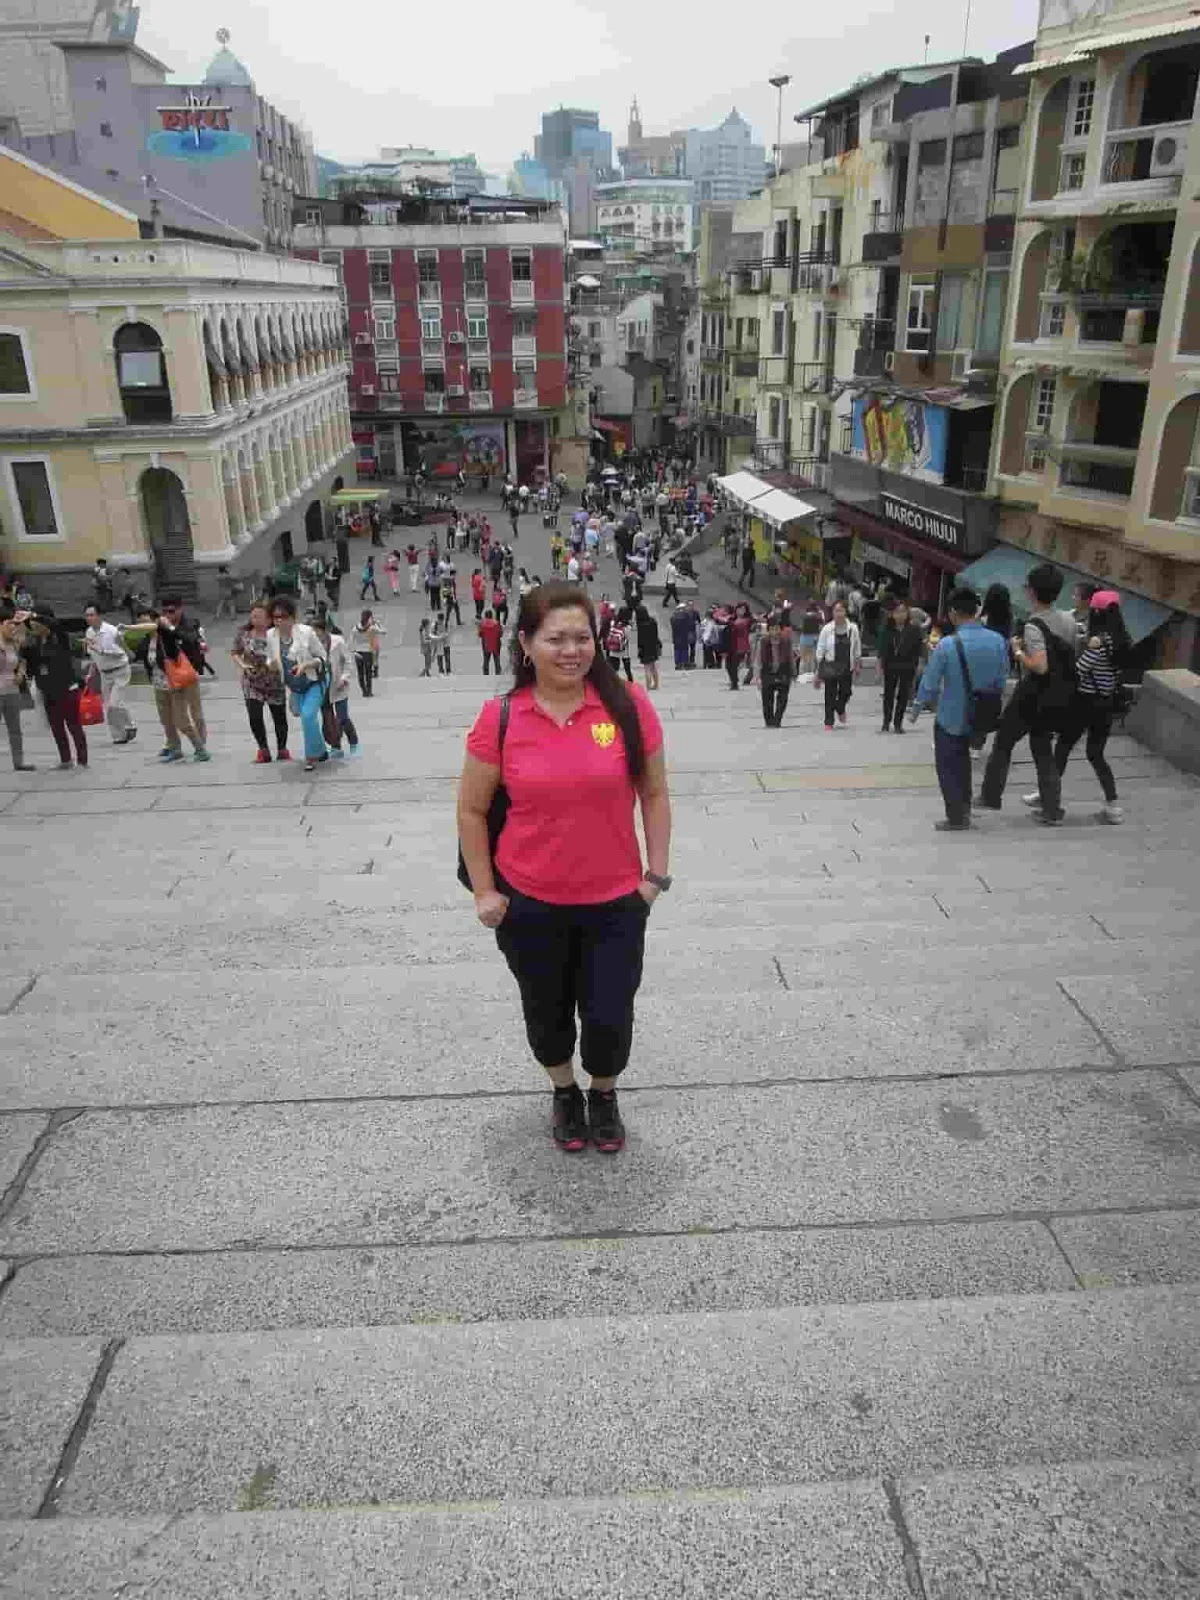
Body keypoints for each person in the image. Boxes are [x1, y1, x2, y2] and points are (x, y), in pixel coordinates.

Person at [457, 580, 672, 1155]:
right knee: (546, 1011)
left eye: (583, 637)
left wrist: (655, 876)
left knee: (609, 1013)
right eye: (556, 638)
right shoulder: (501, 716)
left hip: (615, 902)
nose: (571, 650)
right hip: (529, 902)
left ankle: (604, 1093)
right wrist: (484, 891)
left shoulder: (627, 705)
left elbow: (654, 793)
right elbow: (472, 810)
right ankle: (563, 1091)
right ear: (525, 643)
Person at [979, 563, 1077, 825]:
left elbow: (1041, 666)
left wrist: (1018, 651)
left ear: (1033, 592)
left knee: (1003, 743)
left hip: (1031, 695)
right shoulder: (1069, 620)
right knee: (1042, 749)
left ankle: (990, 796)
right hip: (1055, 697)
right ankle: (1052, 810)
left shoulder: (1034, 626)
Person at [1027, 589, 1129, 825]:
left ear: (1096, 613)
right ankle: (1113, 806)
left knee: (1062, 748)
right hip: (1106, 705)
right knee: (1096, 754)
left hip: (1086, 703)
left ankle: (1048, 800)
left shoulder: (1098, 643)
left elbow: (1079, 671)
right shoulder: (1120, 640)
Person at [910, 587, 1009, 831]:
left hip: (951, 717)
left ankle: (956, 816)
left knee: (948, 766)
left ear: (953, 612)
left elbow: (930, 683)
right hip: (982, 716)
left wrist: (916, 708)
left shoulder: (946, 645)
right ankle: (965, 807)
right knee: (964, 762)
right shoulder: (998, 641)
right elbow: (1001, 680)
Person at [143, 599, 210, 763]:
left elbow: (190, 639)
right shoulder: (161, 630)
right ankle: (181, 747)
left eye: (171, 611)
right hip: (172, 678)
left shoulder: (189, 624)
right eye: (165, 611)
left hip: (188, 674)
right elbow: (148, 632)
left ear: (180, 610)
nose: (168, 614)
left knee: (196, 714)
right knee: (178, 718)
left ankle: (201, 746)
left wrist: (171, 628)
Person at [266, 596, 328, 772]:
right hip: (295, 685)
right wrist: (271, 665)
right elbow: (271, 658)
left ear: (293, 617)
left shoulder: (306, 633)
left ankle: (310, 756)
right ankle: (321, 750)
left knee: (308, 716)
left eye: (283, 616)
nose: (279, 621)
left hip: (314, 680)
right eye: (275, 617)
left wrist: (305, 665)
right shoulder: (271, 635)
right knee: (305, 717)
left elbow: (323, 658)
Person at [20, 609, 87, 769]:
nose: (34, 627)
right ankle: (66, 759)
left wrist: (34, 615)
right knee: (56, 726)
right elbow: (31, 665)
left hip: (67, 688)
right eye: (32, 625)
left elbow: (55, 624)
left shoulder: (60, 638)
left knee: (74, 725)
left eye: (36, 624)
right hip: (48, 691)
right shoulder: (35, 643)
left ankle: (82, 760)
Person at [231, 602, 290, 764]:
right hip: (252, 681)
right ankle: (263, 750)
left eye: (260, 616)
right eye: (253, 616)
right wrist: (243, 665)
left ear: (269, 618)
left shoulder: (277, 635)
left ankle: (282, 749)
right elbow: (235, 653)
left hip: (274, 681)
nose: (255, 619)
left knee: (279, 717)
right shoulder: (244, 634)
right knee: (254, 715)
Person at [83, 604, 137, 746]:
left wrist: (102, 651)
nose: (89, 618)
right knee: (109, 706)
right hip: (104, 674)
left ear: (99, 616)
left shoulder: (111, 631)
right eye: (87, 615)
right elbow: (93, 655)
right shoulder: (89, 632)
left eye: (92, 614)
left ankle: (128, 726)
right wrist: (90, 672)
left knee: (115, 703)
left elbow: (120, 652)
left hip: (120, 670)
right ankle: (119, 735)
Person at [314, 615, 360, 758]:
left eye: (318, 632)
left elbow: (348, 662)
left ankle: (354, 742)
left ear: (325, 630)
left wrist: (344, 678)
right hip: (322, 686)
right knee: (328, 719)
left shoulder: (338, 641)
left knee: (342, 717)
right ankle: (336, 746)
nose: (316, 635)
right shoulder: (312, 644)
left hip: (338, 684)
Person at [813, 600, 862, 729]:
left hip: (847, 666)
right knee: (830, 693)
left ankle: (840, 708)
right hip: (830, 666)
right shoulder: (827, 629)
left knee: (846, 692)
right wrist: (817, 671)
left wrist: (857, 664)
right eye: (836, 610)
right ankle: (828, 722)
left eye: (841, 610)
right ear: (833, 613)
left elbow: (857, 648)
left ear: (846, 612)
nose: (839, 613)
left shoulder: (853, 629)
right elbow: (820, 649)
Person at [877, 600, 924, 734]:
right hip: (890, 664)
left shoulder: (914, 629)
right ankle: (886, 722)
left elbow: (920, 648)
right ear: (892, 614)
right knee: (888, 694)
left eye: (903, 611)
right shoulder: (886, 629)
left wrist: (919, 664)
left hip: (908, 665)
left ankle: (898, 723)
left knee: (903, 695)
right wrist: (879, 666)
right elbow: (881, 649)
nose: (901, 615)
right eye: (897, 612)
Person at [0, 605, 35, 771]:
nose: (12, 627)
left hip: (12, 691)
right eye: (9, 623)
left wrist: (20, 673)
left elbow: (22, 661)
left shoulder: (13, 644)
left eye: (14, 624)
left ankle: (19, 761)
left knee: (15, 729)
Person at [758, 614, 794, 728]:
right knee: (767, 700)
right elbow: (758, 660)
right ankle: (769, 721)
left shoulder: (786, 641)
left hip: (783, 671)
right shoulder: (763, 641)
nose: (775, 631)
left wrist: (793, 673)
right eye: (772, 629)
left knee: (782, 698)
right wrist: (757, 677)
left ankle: (777, 719)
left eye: (777, 628)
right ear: (768, 630)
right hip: (767, 672)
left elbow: (791, 657)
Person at [351, 609, 385, 696]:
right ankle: (369, 691)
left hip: (358, 652)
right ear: (369, 617)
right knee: (368, 673)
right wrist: (377, 623)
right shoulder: (372, 628)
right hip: (368, 651)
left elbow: (351, 641)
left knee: (360, 673)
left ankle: (364, 691)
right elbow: (384, 631)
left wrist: (353, 651)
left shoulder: (355, 628)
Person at [725, 602, 753, 691]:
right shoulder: (732, 618)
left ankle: (734, 684)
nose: (741, 611)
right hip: (730, 644)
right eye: (739, 608)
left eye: (743, 609)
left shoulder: (747, 620)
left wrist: (728, 621)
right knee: (728, 665)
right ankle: (734, 680)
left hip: (741, 645)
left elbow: (738, 626)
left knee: (734, 664)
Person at [634, 603, 661, 691]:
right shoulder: (653, 621)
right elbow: (656, 634)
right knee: (653, 667)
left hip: (644, 648)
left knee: (647, 668)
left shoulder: (640, 624)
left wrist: (639, 648)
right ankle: (656, 684)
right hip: (653, 646)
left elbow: (640, 639)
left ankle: (648, 686)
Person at [669, 598, 698, 671]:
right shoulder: (686, 616)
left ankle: (678, 664)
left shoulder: (673, 617)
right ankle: (685, 663)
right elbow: (690, 625)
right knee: (684, 650)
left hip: (676, 637)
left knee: (677, 650)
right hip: (684, 636)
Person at [605, 609, 633, 682]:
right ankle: (631, 684)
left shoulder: (613, 623)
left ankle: (613, 684)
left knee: (614, 670)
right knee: (628, 670)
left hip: (613, 650)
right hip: (624, 652)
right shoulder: (627, 627)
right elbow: (628, 639)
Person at [797, 600, 823, 675]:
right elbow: (821, 627)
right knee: (812, 659)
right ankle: (811, 675)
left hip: (804, 639)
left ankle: (801, 675)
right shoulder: (818, 616)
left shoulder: (804, 616)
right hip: (814, 639)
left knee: (803, 659)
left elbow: (801, 627)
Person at [479, 608, 504, 674]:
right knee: (497, 660)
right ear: (492, 616)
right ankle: (498, 674)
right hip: (496, 645)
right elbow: (501, 634)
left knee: (486, 660)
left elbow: (480, 634)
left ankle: (486, 674)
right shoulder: (497, 624)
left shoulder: (482, 624)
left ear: (485, 616)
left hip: (486, 645)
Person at [430, 610, 451, 675]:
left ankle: (448, 671)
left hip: (446, 643)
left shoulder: (446, 623)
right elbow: (430, 634)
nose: (441, 622)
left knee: (447, 658)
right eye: (440, 620)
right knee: (439, 657)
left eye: (442, 620)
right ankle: (441, 671)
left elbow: (449, 632)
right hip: (439, 644)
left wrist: (445, 635)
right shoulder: (434, 625)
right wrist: (437, 637)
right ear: (438, 619)